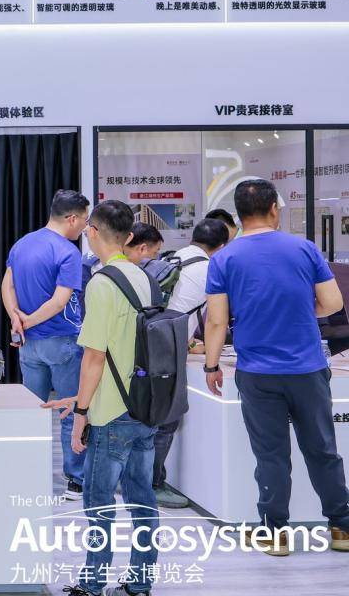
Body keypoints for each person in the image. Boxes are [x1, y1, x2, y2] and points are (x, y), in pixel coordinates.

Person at [203, 179, 349, 556]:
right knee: (323, 449)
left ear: (238, 215)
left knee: (270, 455)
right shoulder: (304, 249)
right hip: (308, 369)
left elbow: (216, 321)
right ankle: (342, 527)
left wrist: (211, 365)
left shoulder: (223, 259)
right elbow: (333, 303)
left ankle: (275, 533)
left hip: (257, 372)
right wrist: (301, 311)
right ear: (273, 209)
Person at [54, 199, 160, 596]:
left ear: (92, 232)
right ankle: (140, 582)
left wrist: (80, 412)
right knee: (142, 500)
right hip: (146, 405)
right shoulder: (144, 277)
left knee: (98, 503)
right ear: (130, 237)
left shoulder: (101, 283)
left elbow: (94, 358)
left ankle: (92, 583)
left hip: (112, 410)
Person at [1, 189, 89, 501]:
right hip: (62, 339)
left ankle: (27, 474)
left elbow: (7, 285)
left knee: (32, 411)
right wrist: (27, 321)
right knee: (70, 410)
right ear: (72, 218)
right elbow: (60, 301)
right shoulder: (68, 252)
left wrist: (16, 318)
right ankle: (75, 481)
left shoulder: (22, 243)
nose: (85, 228)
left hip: (28, 345)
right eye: (85, 221)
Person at [147, 218, 231, 510]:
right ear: (222, 246)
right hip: (167, 350)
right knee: (166, 421)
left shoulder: (174, 257)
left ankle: (137, 478)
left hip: (148, 342)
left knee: (148, 416)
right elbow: (216, 321)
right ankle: (153, 485)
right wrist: (211, 363)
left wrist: (191, 343)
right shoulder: (210, 269)